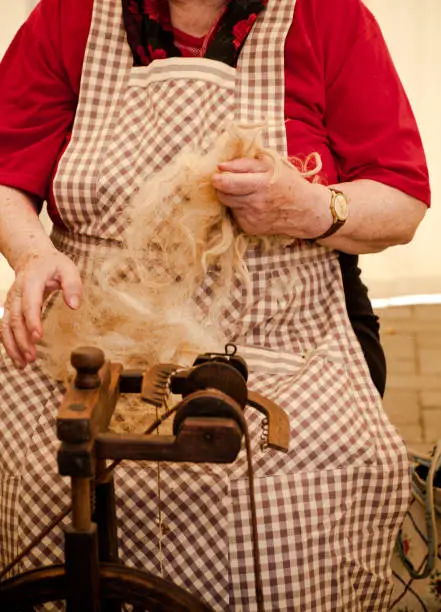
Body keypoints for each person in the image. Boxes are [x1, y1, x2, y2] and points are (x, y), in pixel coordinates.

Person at [0, 0, 430, 609]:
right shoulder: (69, 16)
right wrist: (30, 254)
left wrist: (309, 208)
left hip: (281, 336)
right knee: (40, 471)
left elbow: (402, 200)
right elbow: (5, 175)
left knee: (310, 484)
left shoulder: (329, 18)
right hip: (94, 329)